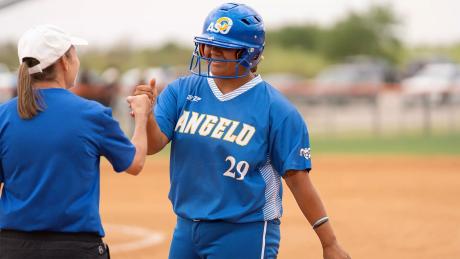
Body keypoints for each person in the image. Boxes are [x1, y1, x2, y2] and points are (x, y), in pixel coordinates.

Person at [134, 3, 351, 259]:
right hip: (186, 228)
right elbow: (154, 144)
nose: (212, 52)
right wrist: (146, 116)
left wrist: (330, 242)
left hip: (244, 232)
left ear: (249, 53)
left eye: (223, 47)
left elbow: (298, 181)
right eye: (208, 44)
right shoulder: (182, 90)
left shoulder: (276, 109)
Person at [0, 25, 151, 259]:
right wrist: (141, 118)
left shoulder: (4, 115)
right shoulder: (91, 114)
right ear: (64, 62)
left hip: (12, 247)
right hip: (74, 248)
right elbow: (135, 163)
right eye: (75, 54)